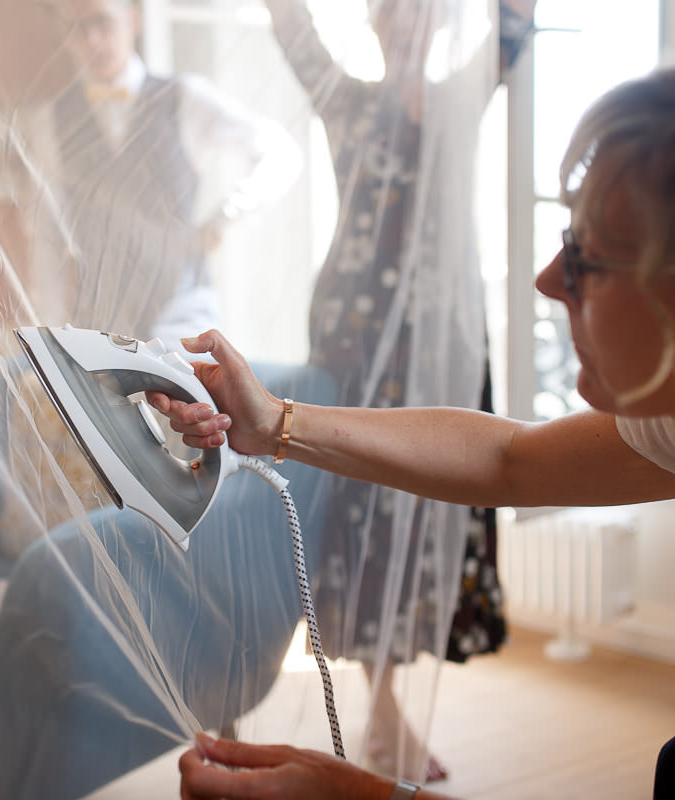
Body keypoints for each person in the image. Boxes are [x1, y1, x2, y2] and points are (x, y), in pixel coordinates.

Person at [158, 37, 675, 800]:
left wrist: (360, 796)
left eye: (587, 260)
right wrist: (272, 421)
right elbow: (509, 461)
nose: (548, 281)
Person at [260, 0, 533, 781]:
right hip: (359, 329)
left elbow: (515, 22)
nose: (408, 17)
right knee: (366, 503)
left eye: (423, 7)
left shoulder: (461, 97)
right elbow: (291, 27)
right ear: (375, 20)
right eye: (394, 6)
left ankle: (393, 710)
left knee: (439, 491)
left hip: (446, 333)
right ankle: (383, 716)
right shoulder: (344, 96)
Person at [10, 0, 301, 341]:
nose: (91, 39)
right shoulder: (49, 122)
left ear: (132, 20)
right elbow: (47, 235)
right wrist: (51, 333)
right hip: (98, 324)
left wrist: (225, 217)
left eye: (102, 22)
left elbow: (280, 152)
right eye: (76, 28)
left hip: (184, 317)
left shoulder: (184, 98)